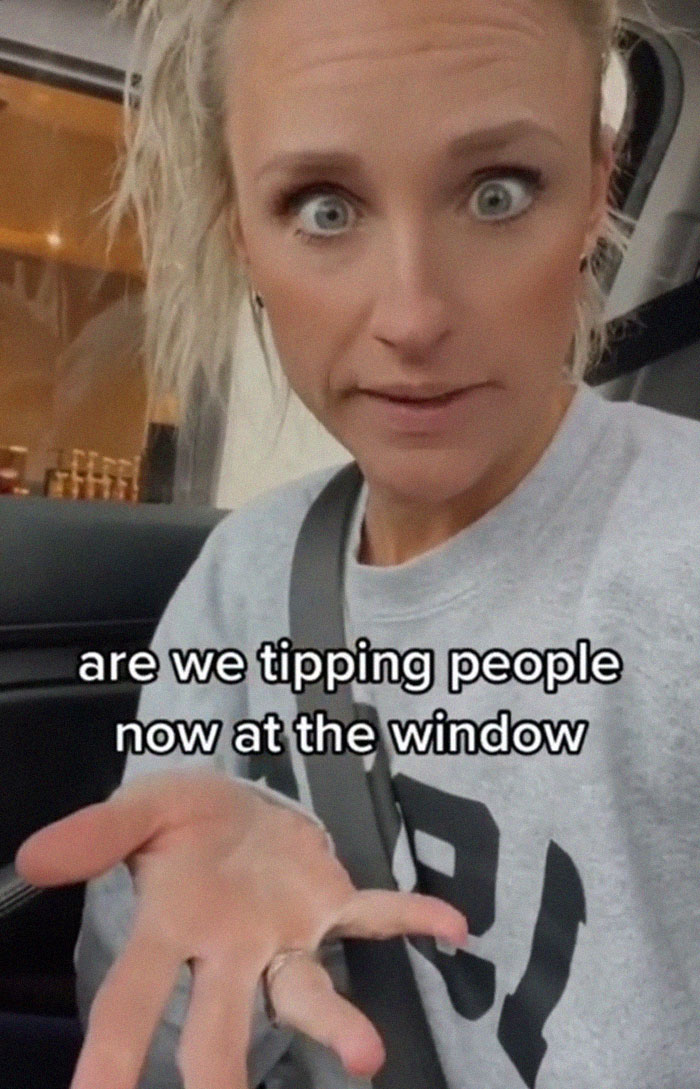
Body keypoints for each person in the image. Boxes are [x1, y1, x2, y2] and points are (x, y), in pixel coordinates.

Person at [14, 0, 700, 1086]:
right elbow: (147, 1056)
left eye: (498, 192)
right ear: (242, 234)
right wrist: (213, 954)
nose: (413, 316)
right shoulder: (244, 578)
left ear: (595, 191)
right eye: (324, 208)